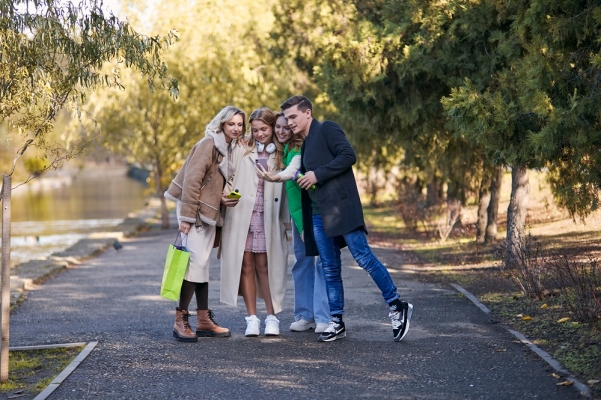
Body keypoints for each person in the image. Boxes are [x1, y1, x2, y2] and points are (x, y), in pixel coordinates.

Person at [281, 95, 413, 342]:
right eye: (287, 118)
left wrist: (317, 175)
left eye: (293, 117)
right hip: (319, 215)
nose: (289, 122)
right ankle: (337, 321)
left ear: (308, 113)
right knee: (329, 268)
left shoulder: (327, 128)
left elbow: (348, 155)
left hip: (342, 209)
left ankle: (397, 306)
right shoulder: (306, 143)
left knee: (364, 258)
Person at [164, 105, 246, 342]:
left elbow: (212, 184)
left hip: (207, 211)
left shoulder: (226, 148)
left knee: (202, 265)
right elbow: (192, 180)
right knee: (195, 264)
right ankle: (180, 319)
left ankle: (203, 319)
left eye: (240, 124)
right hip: (195, 212)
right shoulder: (209, 144)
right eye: (231, 124)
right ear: (222, 124)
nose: (236, 128)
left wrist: (222, 198)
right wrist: (187, 218)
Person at [256, 113, 330, 333]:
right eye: (278, 127)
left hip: (314, 212)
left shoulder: (298, 148)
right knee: (302, 263)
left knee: (323, 263)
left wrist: (274, 177)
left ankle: (324, 317)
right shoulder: (283, 150)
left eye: (286, 127)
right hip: (299, 217)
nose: (281, 131)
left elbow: (291, 172)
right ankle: (305, 315)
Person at [220, 107, 290, 337]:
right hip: (243, 216)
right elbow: (230, 177)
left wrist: (288, 223)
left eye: (264, 129)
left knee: (265, 267)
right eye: (255, 130)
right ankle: (252, 318)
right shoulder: (242, 149)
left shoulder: (280, 153)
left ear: (272, 128)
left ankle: (272, 317)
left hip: (267, 217)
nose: (259, 134)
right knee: (246, 266)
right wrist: (227, 196)